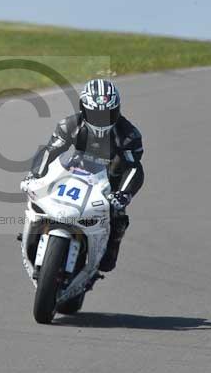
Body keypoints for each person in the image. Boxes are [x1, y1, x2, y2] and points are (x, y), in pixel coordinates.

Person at [21, 78, 144, 272]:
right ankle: (35, 231)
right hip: (74, 171)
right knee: (39, 195)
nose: (101, 119)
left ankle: (110, 248)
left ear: (117, 110)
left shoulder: (129, 135)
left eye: (108, 113)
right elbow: (49, 151)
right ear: (84, 109)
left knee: (117, 215)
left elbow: (134, 168)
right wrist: (35, 174)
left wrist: (123, 194)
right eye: (96, 113)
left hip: (108, 181)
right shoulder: (70, 124)